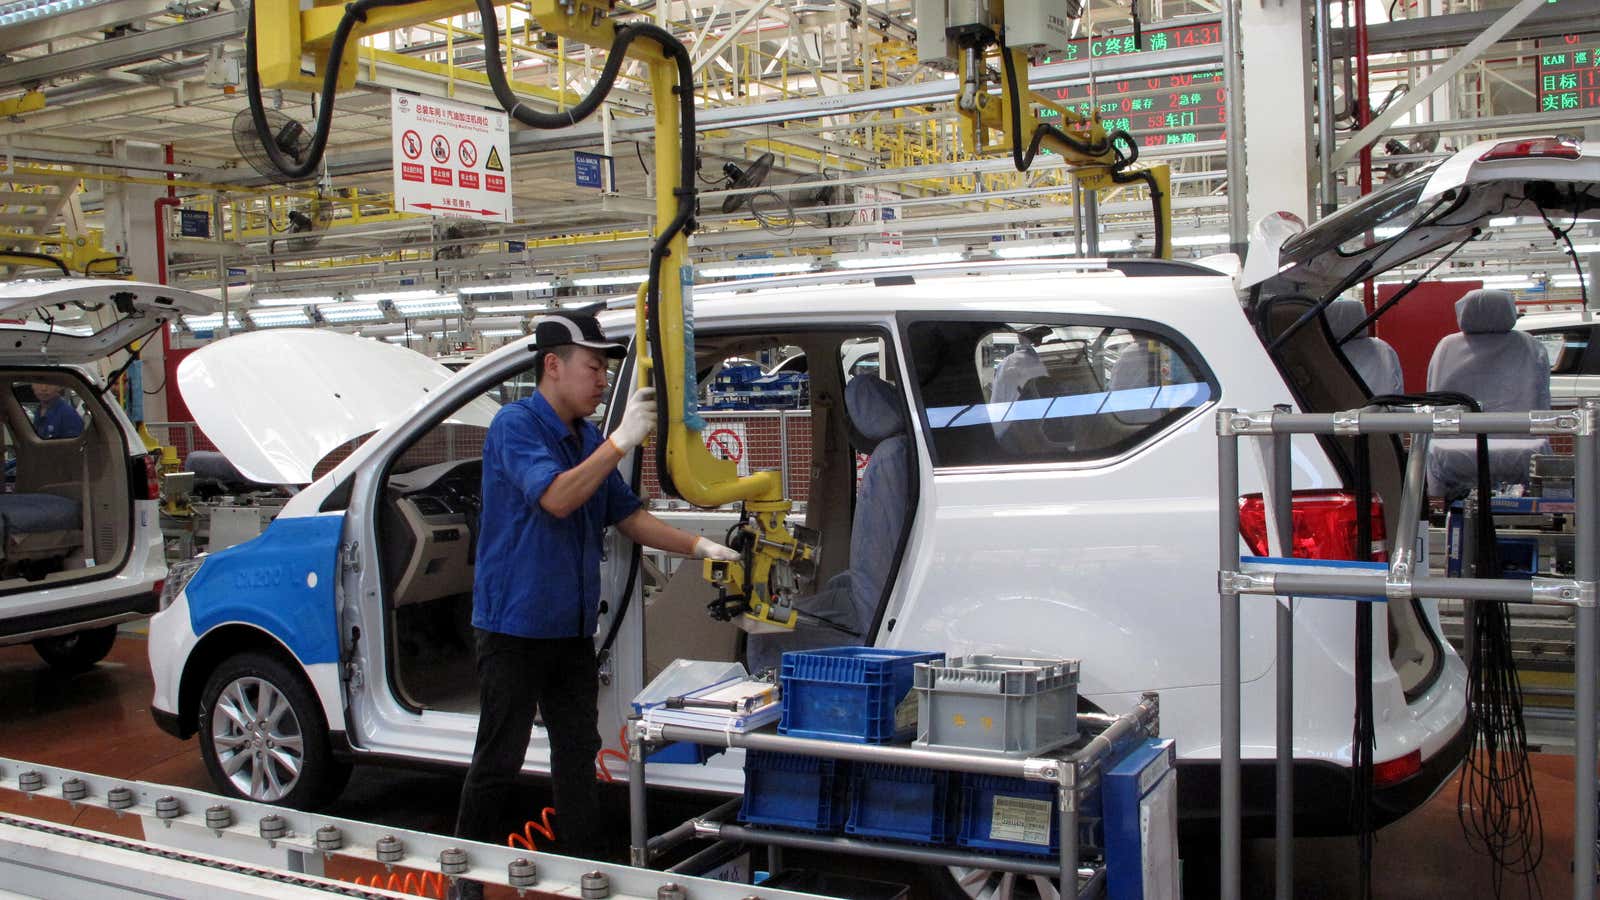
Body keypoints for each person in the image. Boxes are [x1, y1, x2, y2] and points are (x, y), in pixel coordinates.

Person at [451, 311, 738, 898]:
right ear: (552, 365)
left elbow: (627, 516)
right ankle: (462, 880)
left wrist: (699, 545)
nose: (602, 379)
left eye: (606, 369)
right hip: (514, 627)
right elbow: (557, 498)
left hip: (570, 629)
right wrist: (620, 441)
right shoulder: (516, 426)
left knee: (577, 754)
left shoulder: (584, 438)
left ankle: (584, 873)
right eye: (592, 366)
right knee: (499, 756)